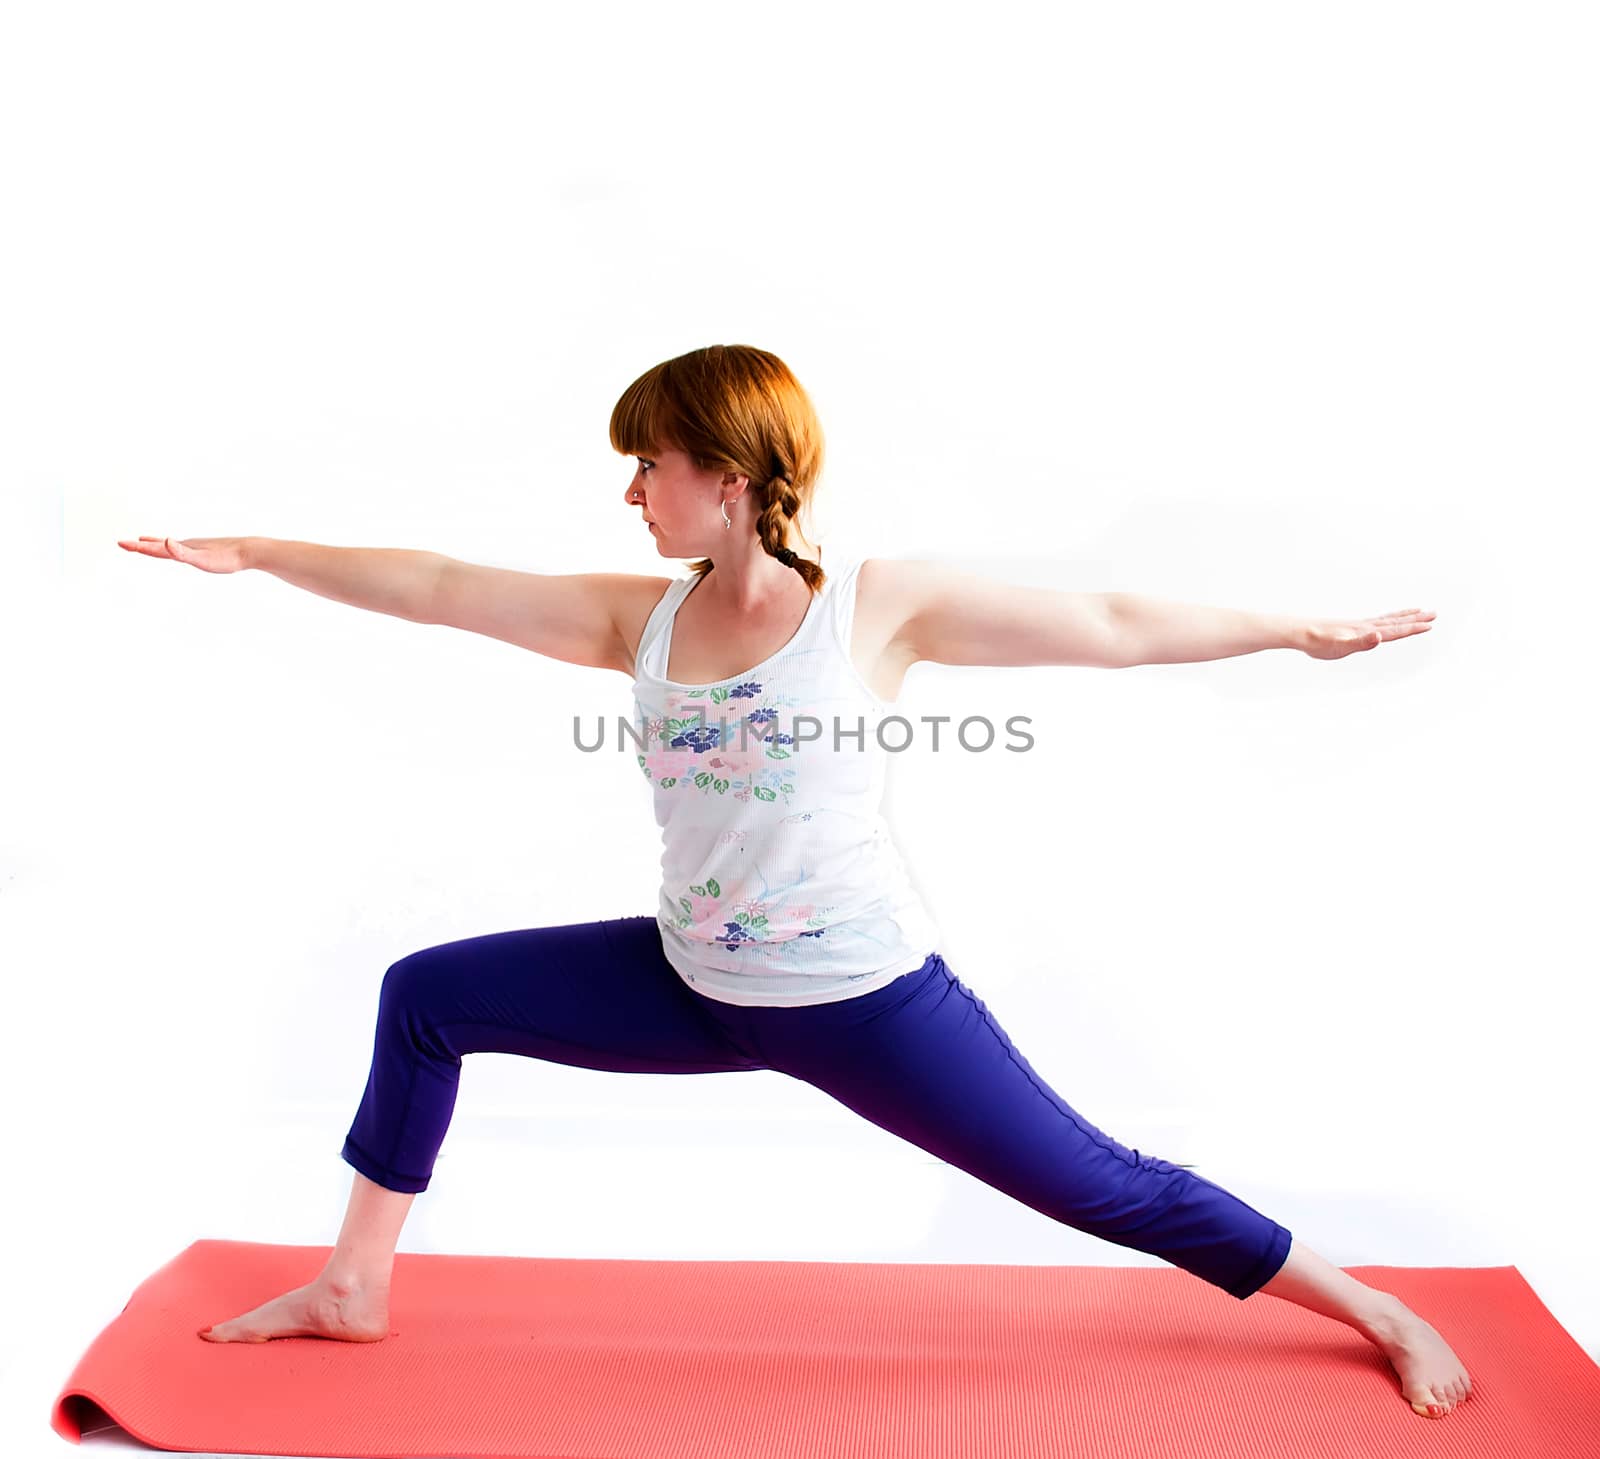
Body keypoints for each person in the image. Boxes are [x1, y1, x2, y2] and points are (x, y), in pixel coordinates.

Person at [117, 343, 1467, 1418]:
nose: (630, 492)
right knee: (427, 996)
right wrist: (257, 554)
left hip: (863, 1004)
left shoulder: (871, 608)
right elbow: (437, 584)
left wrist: (1298, 631)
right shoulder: (630, 615)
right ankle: (354, 1286)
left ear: (730, 473)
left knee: (1109, 1186)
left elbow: (1111, 626)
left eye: (646, 464)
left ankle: (1380, 1312)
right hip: (689, 981)